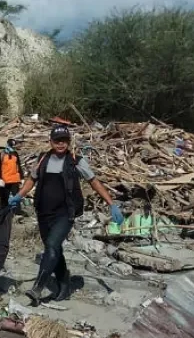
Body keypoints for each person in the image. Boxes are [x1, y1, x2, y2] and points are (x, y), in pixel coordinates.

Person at [9, 125, 124, 304]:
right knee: (53, 249)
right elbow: (31, 180)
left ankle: (38, 288)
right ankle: (64, 283)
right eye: (57, 141)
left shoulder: (76, 161)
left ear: (69, 142)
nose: (61, 144)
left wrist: (111, 204)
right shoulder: (42, 159)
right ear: (51, 142)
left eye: (64, 141)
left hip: (65, 213)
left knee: (53, 244)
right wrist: (18, 196)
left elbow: (93, 181)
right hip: (43, 212)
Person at [0, 139, 23, 209]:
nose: (13, 146)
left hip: (15, 179)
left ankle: (16, 213)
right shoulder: (2, 154)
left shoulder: (15, 153)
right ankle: (3, 214)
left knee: (16, 198)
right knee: (4, 199)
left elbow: (18, 165)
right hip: (5, 180)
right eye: (12, 145)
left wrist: (22, 177)